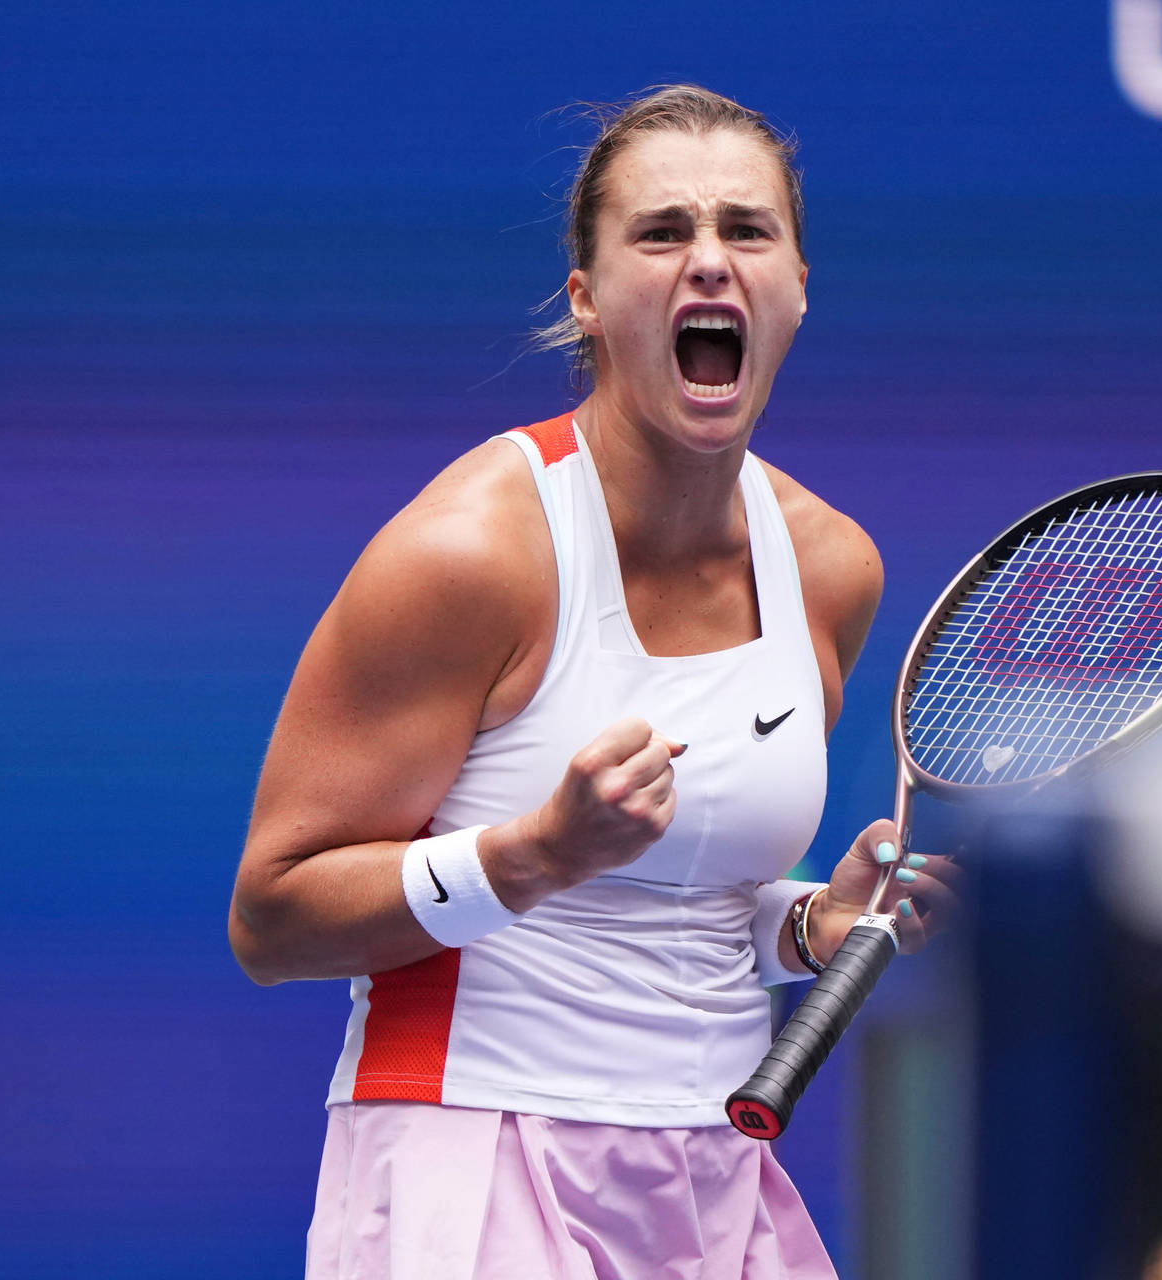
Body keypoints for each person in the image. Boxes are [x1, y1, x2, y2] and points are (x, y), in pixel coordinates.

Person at [228, 84, 960, 1279]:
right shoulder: (471, 553)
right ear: (588, 298)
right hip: (469, 1157)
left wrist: (811, 922)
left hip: (712, 1172)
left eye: (747, 230)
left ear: (798, 287)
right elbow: (273, 916)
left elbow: (688, 905)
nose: (709, 261)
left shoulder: (830, 567)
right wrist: (534, 853)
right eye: (663, 232)